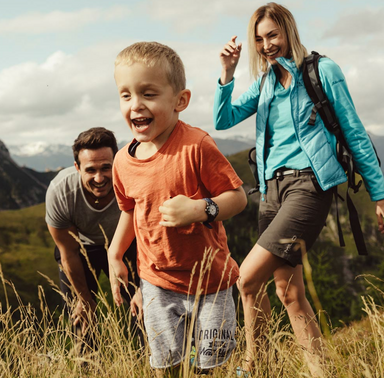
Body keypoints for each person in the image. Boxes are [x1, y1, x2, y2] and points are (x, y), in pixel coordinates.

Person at [213, 3, 384, 376]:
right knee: (288, 292)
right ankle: (321, 370)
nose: (266, 45)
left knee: (246, 280)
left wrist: (380, 194)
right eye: (259, 39)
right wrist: (227, 73)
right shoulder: (264, 82)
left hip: (308, 187)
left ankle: (254, 367)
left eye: (273, 35)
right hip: (270, 192)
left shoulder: (321, 71)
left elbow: (354, 131)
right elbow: (223, 118)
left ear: (289, 32)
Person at [107, 41, 247, 376]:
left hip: (210, 283)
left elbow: (238, 197)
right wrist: (115, 254)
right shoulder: (122, 163)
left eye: (148, 93)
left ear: (180, 100)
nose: (136, 105)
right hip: (156, 281)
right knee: (166, 366)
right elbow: (130, 210)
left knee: (209, 367)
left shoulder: (196, 145)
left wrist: (201, 209)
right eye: (126, 95)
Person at [45, 127, 140, 341]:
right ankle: (88, 367)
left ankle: (145, 364)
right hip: (81, 248)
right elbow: (68, 252)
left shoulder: (133, 181)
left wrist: (144, 290)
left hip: (127, 242)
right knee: (80, 317)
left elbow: (151, 232)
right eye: (90, 170)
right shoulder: (60, 191)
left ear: (117, 162)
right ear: (77, 168)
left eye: (106, 168)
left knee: (144, 309)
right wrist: (85, 300)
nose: (99, 178)